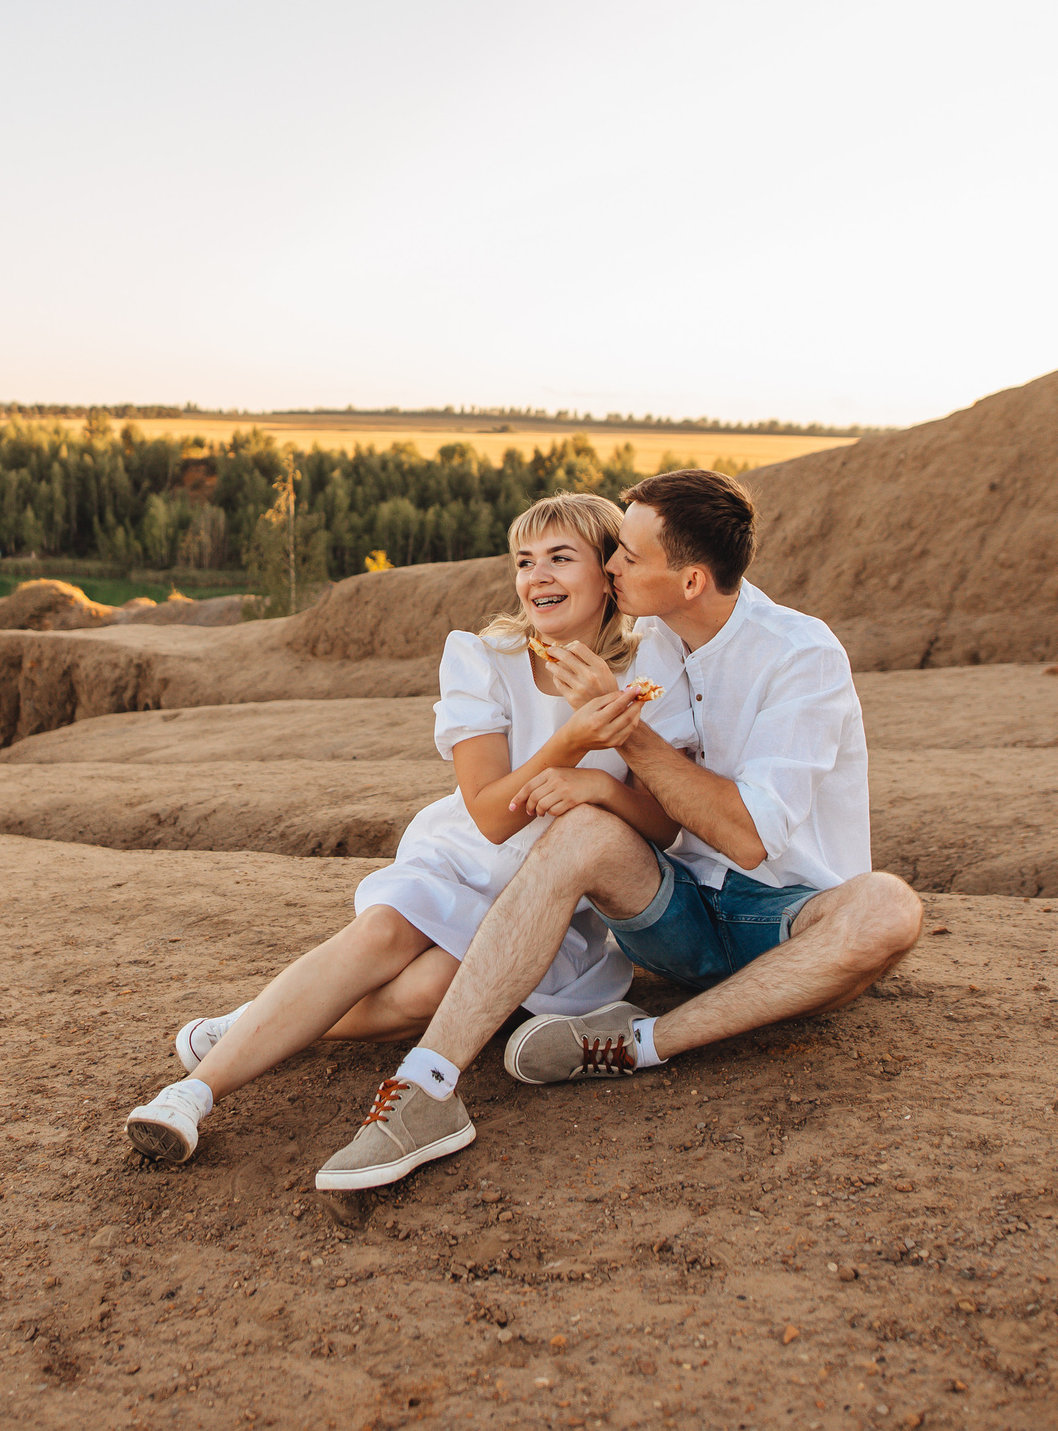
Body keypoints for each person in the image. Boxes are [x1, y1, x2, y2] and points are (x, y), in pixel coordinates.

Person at [312, 468, 923, 1193]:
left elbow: (751, 837)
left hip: (785, 922)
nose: (611, 565)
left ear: (691, 580)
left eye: (629, 555)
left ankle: (639, 1043)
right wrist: (597, 777)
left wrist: (620, 736)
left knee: (888, 907)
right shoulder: (655, 643)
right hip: (678, 913)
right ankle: (427, 1087)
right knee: (577, 833)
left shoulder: (802, 656)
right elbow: (650, 811)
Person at [124, 493, 685, 1172]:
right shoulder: (486, 657)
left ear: (608, 573)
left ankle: (252, 1021)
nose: (537, 577)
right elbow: (489, 812)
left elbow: (662, 823)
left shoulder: (653, 666)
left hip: (546, 901)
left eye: (561, 558)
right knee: (383, 935)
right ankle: (192, 1092)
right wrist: (570, 740)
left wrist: (599, 782)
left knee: (425, 993)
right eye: (524, 560)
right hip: (465, 856)